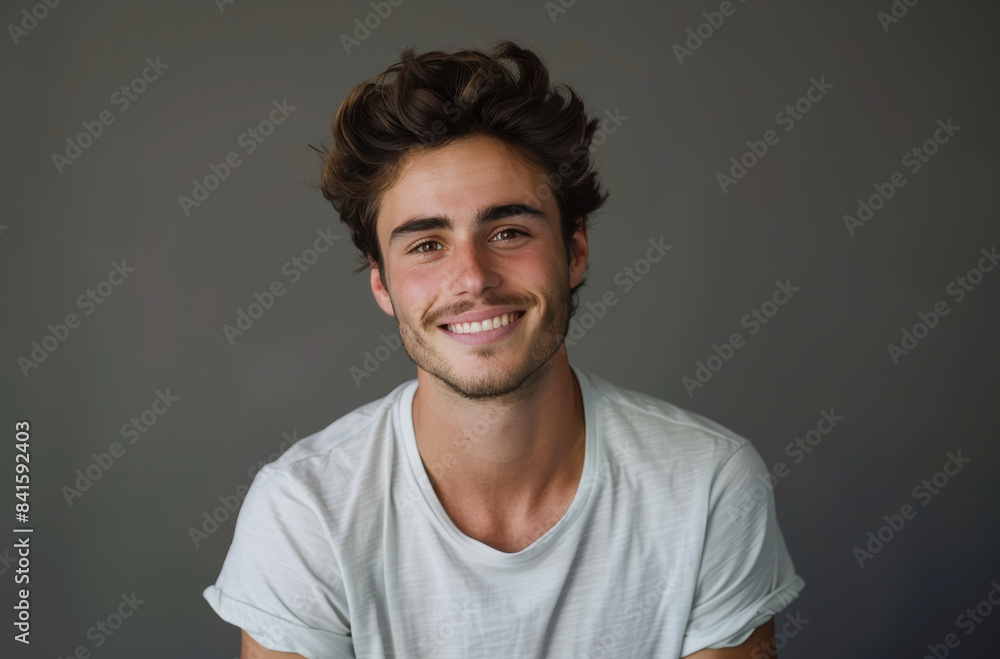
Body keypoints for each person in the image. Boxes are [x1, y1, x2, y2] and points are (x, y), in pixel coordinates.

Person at [203, 39, 805, 658]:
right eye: (426, 245)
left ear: (575, 251)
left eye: (509, 231)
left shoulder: (708, 485)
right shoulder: (305, 511)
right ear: (382, 282)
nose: (473, 278)